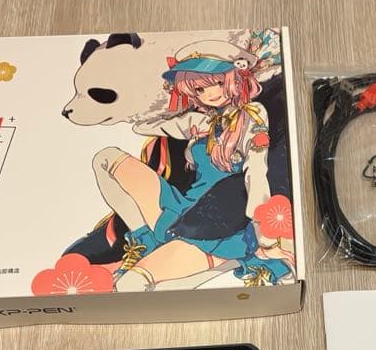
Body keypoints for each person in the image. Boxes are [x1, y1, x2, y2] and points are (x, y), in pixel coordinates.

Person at [89, 40, 293, 291]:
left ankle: (217, 257)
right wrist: (185, 115)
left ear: (236, 78)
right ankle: (146, 240)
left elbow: (257, 171)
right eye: (199, 89)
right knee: (106, 158)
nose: (211, 94)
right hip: (182, 208)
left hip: (217, 225)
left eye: (218, 82)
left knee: (130, 283)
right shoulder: (202, 121)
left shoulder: (252, 114)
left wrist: (266, 239)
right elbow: (142, 126)